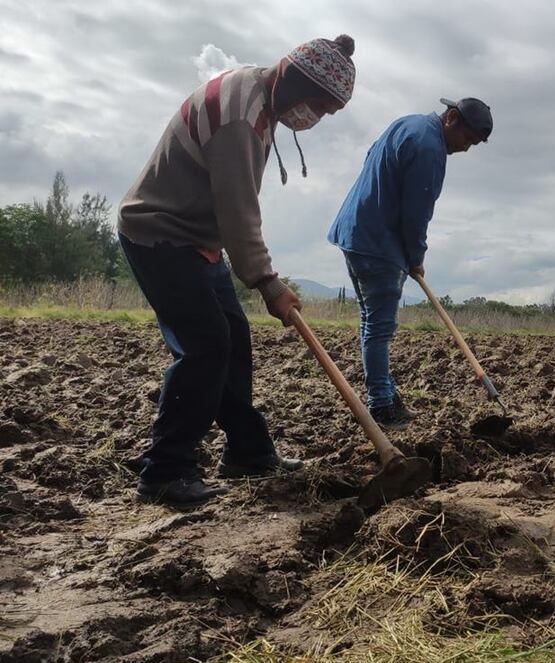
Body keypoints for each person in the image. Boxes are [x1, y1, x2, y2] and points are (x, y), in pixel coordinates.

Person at [117, 35, 357, 508]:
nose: (318, 118)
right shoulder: (240, 119)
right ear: (292, 79)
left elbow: (230, 212)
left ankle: (247, 452)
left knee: (233, 340)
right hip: (160, 234)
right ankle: (165, 472)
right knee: (206, 347)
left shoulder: (259, 96)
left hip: (196, 240)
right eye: (319, 106)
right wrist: (268, 282)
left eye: (328, 112)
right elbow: (238, 210)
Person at [327, 97, 493, 429]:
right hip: (378, 243)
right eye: (467, 140)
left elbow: (370, 158)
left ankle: (384, 390)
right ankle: (382, 405)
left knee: (371, 321)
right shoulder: (430, 147)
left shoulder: (407, 123)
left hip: (355, 232)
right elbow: (416, 214)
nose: (465, 149)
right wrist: (416, 257)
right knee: (379, 326)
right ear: (451, 118)